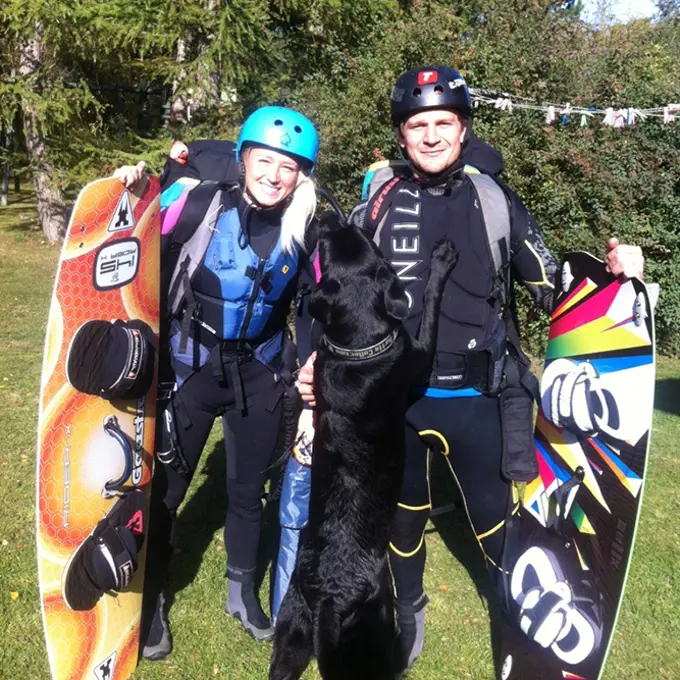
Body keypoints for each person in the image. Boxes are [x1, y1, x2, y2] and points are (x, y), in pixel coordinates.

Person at [296, 65, 644, 673]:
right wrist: (310, 360)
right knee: (401, 520)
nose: (431, 136)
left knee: (495, 523)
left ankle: (521, 621)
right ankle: (410, 615)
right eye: (418, 125)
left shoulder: (495, 201)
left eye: (444, 123)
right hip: (395, 404)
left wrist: (615, 281)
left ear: (463, 130)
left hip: (477, 400)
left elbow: (551, 287)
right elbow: (325, 290)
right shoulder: (374, 204)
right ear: (402, 135)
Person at [114, 106, 321, 659]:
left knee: (248, 491)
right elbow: (137, 236)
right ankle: (151, 595)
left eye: (289, 166)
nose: (275, 175)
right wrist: (135, 187)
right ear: (244, 157)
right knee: (167, 491)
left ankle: (240, 592)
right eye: (266, 160)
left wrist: (315, 363)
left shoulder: (307, 225)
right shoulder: (200, 201)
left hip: (261, 372)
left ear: (302, 174)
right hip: (191, 365)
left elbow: (316, 304)